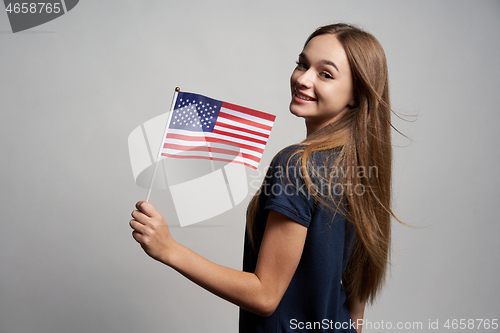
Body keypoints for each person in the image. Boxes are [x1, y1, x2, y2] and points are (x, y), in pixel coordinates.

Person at [130, 23, 397, 333]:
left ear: (356, 95)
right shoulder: (360, 165)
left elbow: (265, 295)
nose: (303, 79)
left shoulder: (296, 165)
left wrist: (168, 249)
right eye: (302, 64)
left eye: (325, 74)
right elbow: (357, 296)